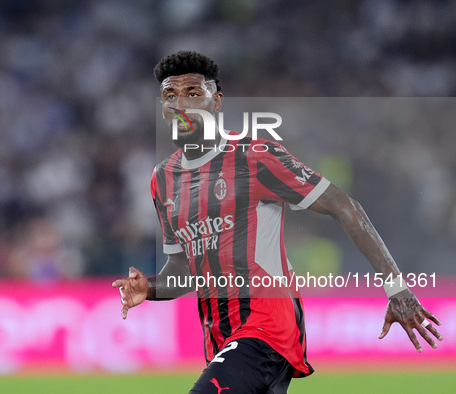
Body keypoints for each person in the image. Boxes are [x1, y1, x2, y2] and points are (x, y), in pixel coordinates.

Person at [112, 50, 442, 393]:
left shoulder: (255, 157)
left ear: (217, 102)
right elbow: (182, 269)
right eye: (170, 96)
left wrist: (397, 289)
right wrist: (148, 288)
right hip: (220, 339)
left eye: (193, 94)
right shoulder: (162, 179)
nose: (180, 104)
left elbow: (346, 208)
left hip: (266, 328)